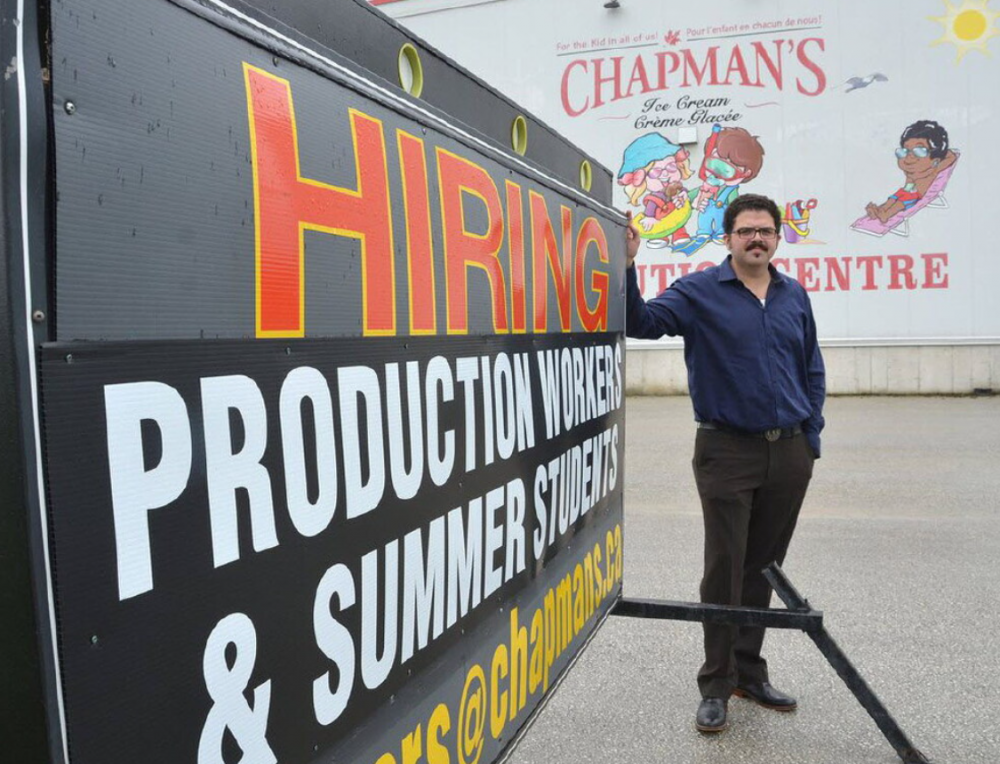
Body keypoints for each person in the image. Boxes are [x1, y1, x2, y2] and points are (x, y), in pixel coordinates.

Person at [624, 193, 826, 733]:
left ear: (777, 238)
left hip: (788, 453)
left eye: (765, 231)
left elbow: (811, 367)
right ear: (728, 238)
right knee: (724, 568)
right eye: (746, 231)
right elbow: (640, 322)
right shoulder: (698, 292)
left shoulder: (793, 295)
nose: (756, 239)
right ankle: (715, 683)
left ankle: (748, 672)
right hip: (726, 451)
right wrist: (626, 265)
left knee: (763, 565)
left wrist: (810, 439)